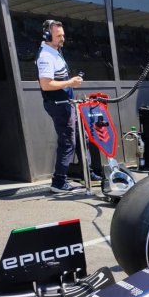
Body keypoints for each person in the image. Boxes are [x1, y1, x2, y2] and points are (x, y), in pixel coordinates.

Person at [36, 19, 99, 194]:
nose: (62, 38)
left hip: (67, 104)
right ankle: (59, 181)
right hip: (59, 105)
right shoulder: (46, 56)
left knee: (81, 138)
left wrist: (70, 83)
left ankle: (87, 173)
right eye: (58, 36)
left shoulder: (55, 52)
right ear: (47, 35)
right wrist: (70, 82)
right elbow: (46, 85)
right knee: (68, 141)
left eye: (63, 35)